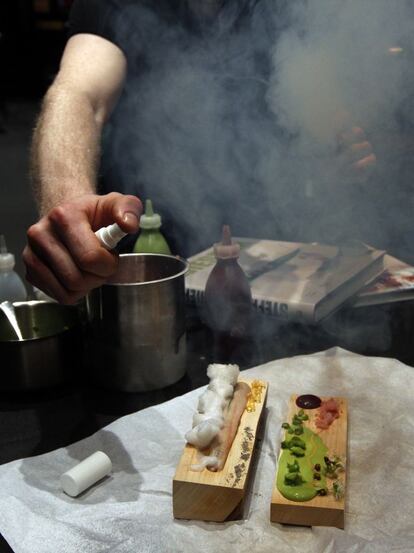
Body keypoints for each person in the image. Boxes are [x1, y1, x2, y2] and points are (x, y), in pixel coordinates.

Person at [23, 0, 376, 304]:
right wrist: (68, 206)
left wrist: (334, 163)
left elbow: (318, 115)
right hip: (149, 272)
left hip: (267, 269)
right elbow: (80, 96)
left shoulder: (277, 8)